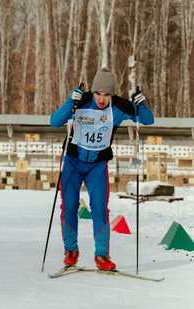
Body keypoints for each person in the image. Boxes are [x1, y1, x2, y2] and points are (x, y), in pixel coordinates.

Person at [50, 67, 154, 270]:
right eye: (98, 93)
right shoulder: (82, 100)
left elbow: (148, 120)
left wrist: (141, 105)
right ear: (93, 91)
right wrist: (70, 101)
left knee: (99, 209)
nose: (101, 99)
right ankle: (71, 250)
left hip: (97, 166)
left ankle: (102, 255)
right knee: (69, 206)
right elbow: (54, 122)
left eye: (106, 94)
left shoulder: (119, 107)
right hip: (72, 162)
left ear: (112, 94)